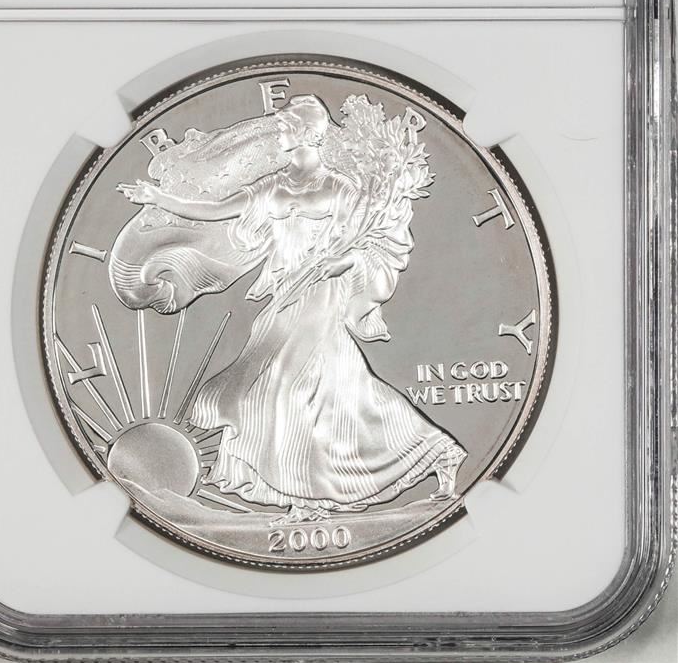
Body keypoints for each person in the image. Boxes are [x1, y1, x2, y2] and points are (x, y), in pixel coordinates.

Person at [118, 95, 466, 522]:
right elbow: (216, 211)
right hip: (286, 295)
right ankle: (435, 453)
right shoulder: (273, 187)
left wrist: (344, 262)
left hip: (321, 293)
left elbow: (370, 242)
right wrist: (159, 198)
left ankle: (309, 499)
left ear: (305, 133)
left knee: (287, 386)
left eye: (284, 127)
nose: (277, 134)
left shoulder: (341, 189)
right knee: (341, 392)